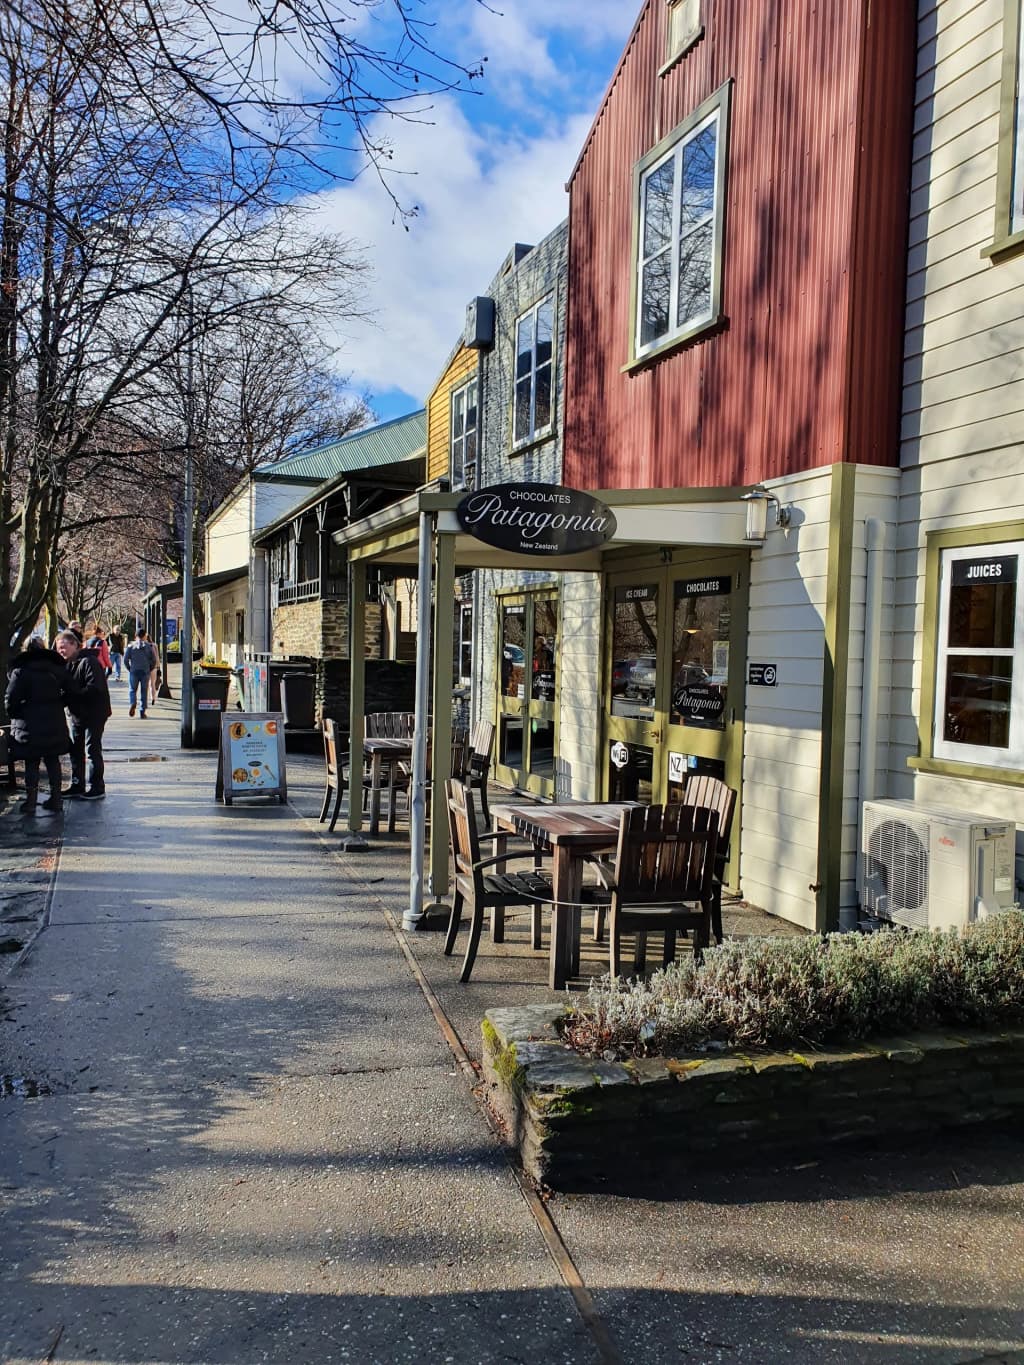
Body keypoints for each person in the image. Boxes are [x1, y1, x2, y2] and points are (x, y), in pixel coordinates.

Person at [4, 639, 72, 815]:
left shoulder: (20, 671)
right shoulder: (57, 669)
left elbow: (11, 700)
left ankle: (31, 801)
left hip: (29, 723)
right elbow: (70, 692)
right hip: (54, 721)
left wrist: (17, 715)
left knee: (31, 762)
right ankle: (56, 798)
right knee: (52, 760)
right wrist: (58, 705)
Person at [55, 629, 111, 799]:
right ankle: (77, 784)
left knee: (92, 749)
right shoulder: (67, 665)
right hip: (77, 714)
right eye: (59, 648)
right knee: (76, 750)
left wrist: (73, 695)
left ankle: (97, 786)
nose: (61, 651)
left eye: (63, 647)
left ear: (74, 645)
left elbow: (95, 688)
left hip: (94, 713)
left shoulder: (89, 662)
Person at [124, 627, 158, 718]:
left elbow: (125, 659)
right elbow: (154, 660)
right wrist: (150, 668)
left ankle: (133, 703)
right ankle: (142, 711)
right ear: (144, 636)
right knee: (144, 691)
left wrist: (129, 668)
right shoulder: (148, 646)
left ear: (136, 635)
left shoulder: (131, 646)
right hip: (145, 672)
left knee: (132, 690)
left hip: (134, 671)